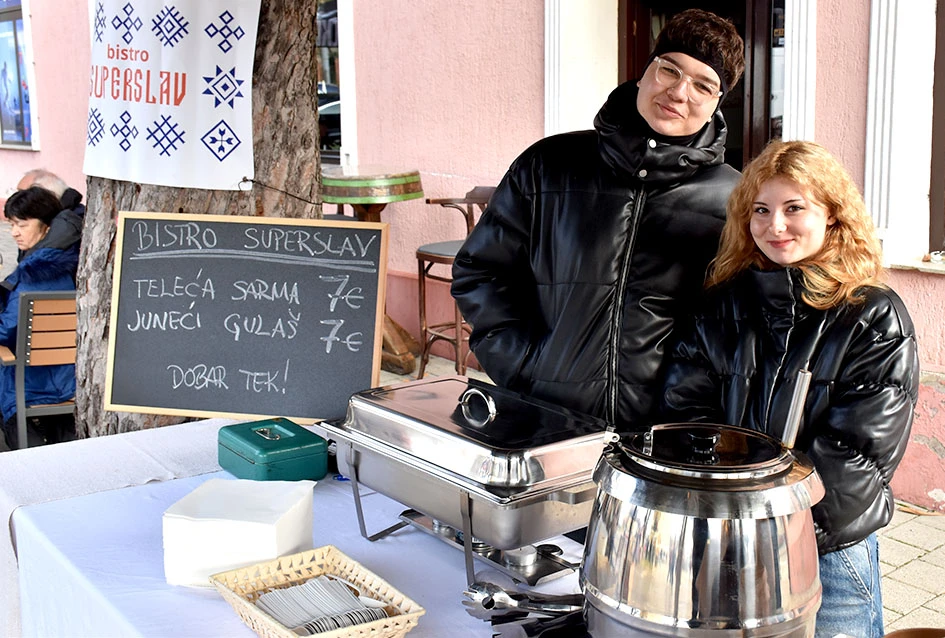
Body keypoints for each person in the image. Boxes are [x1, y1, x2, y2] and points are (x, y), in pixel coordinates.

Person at [659, 140, 919, 638]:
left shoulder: (871, 315)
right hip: (729, 537)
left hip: (825, 550)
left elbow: (858, 456)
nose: (774, 226)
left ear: (833, 216)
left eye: (793, 208)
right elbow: (687, 412)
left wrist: (779, 533)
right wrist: (727, 516)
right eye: (761, 210)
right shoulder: (727, 303)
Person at [451, 9, 745, 431]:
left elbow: (736, 323)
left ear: (718, 103)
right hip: (546, 415)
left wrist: (688, 401)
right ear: (644, 73)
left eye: (703, 85)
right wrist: (522, 364)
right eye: (669, 71)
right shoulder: (549, 165)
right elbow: (480, 270)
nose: (679, 93)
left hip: (662, 433)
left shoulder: (733, 199)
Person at [0, 186, 82, 449]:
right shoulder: (67, 258)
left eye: (22, 225)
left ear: (47, 227)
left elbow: (6, 331)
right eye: (12, 224)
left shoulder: (37, 273)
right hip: (69, 374)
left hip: (35, 380)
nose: (14, 232)